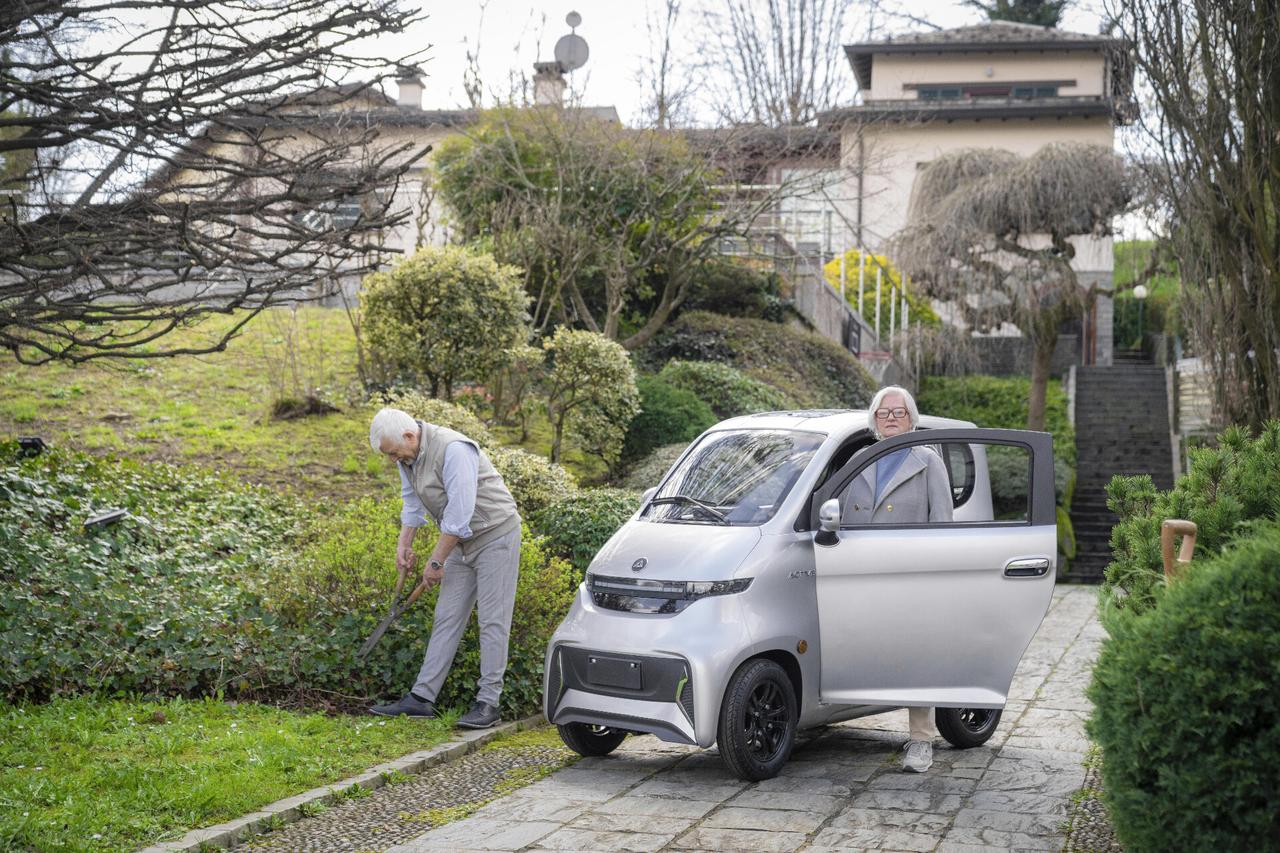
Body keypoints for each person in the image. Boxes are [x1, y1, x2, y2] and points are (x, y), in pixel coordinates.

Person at [366, 407, 521, 730]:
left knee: (492, 621)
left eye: (394, 453)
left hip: (496, 537)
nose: (393, 460)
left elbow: (459, 514)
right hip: (461, 543)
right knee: (447, 616)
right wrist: (403, 544)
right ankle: (422, 698)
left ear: (409, 436)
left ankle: (488, 703)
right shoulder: (408, 458)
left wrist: (436, 561)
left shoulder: (454, 449)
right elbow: (412, 503)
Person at [841, 385, 953, 772]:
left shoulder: (927, 461)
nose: (890, 418)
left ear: (912, 418)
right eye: (884, 413)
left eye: (899, 412)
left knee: (915, 654)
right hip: (858, 575)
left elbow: (943, 525)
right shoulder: (858, 459)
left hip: (910, 577)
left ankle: (921, 740)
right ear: (873, 420)